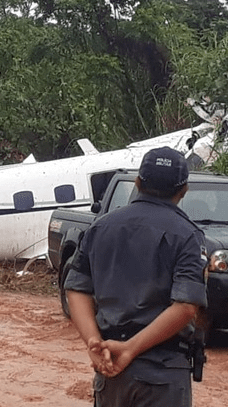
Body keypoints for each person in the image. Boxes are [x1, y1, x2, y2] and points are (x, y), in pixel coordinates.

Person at [64, 146, 208, 407]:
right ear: (184, 189)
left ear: (138, 182)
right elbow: (186, 306)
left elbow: (76, 288)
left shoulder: (101, 227)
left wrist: (93, 341)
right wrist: (130, 349)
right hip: (162, 374)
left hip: (111, 370)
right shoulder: (187, 235)